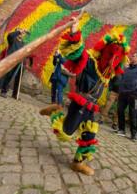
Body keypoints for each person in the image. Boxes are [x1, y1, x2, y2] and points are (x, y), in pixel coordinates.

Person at [39, 17, 129, 176]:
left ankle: (78, 163)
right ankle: (54, 111)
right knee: (65, 133)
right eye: (111, 55)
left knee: (90, 133)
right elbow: (77, 53)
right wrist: (75, 30)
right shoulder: (90, 62)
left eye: (117, 58)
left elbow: (118, 69)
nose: (112, 62)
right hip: (80, 103)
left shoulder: (107, 74)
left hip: (91, 107)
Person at [116, 53, 137, 141]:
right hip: (123, 94)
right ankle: (121, 129)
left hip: (133, 95)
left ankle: (133, 134)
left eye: (133, 56)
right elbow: (122, 78)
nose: (131, 57)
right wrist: (120, 90)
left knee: (133, 114)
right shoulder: (128, 68)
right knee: (120, 111)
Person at [0, 28, 28, 99]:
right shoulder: (12, 40)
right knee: (9, 76)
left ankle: (15, 94)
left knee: (18, 79)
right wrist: (19, 31)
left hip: (20, 63)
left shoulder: (23, 43)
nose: (22, 34)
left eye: (22, 33)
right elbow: (10, 35)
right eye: (20, 32)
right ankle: (3, 91)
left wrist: (24, 62)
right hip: (12, 60)